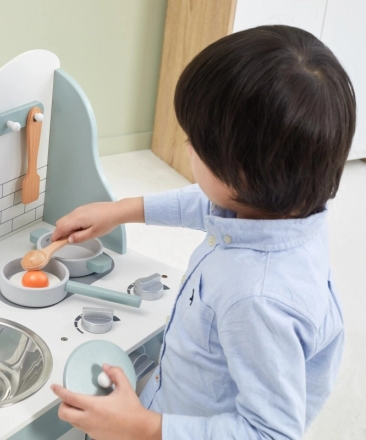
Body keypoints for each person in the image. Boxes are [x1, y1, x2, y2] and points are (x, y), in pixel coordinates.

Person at [50, 25, 355, 440]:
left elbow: (272, 434)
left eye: (196, 144)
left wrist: (142, 428)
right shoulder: (286, 207)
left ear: (241, 176)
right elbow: (208, 204)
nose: (188, 146)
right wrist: (123, 210)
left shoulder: (256, 300)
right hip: (181, 398)